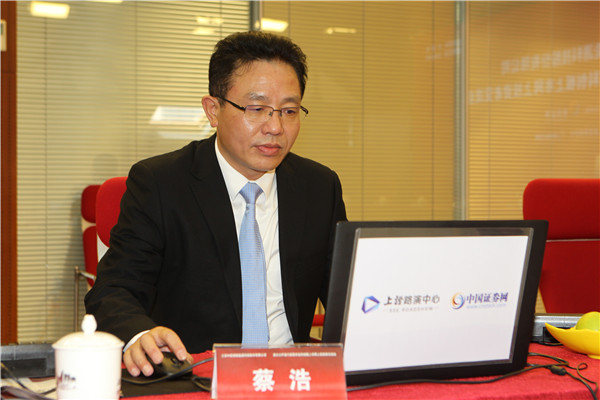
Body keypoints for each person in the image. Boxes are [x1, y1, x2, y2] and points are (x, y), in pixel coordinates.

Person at [84, 31, 347, 377]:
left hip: (292, 378)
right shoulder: (161, 184)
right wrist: (140, 334)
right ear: (213, 110)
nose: (275, 127)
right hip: (196, 375)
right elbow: (113, 290)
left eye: (289, 111)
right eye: (257, 109)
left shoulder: (319, 187)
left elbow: (346, 297)